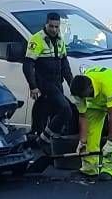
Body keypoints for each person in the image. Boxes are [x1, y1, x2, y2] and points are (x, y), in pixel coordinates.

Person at [69, 66, 112, 178]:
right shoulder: (80, 91)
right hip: (96, 101)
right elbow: (82, 115)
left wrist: (110, 141)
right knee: (90, 131)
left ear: (90, 88)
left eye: (84, 96)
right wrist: (82, 141)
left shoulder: (107, 83)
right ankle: (90, 167)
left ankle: (109, 169)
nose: (83, 98)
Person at [23, 12, 75, 141]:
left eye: (56, 27)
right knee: (65, 110)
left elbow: (65, 65)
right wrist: (33, 86)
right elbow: (28, 65)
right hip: (45, 83)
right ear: (46, 24)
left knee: (48, 112)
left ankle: (45, 140)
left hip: (57, 83)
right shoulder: (37, 39)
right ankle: (44, 138)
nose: (54, 29)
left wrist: (72, 84)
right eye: (51, 26)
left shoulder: (60, 39)